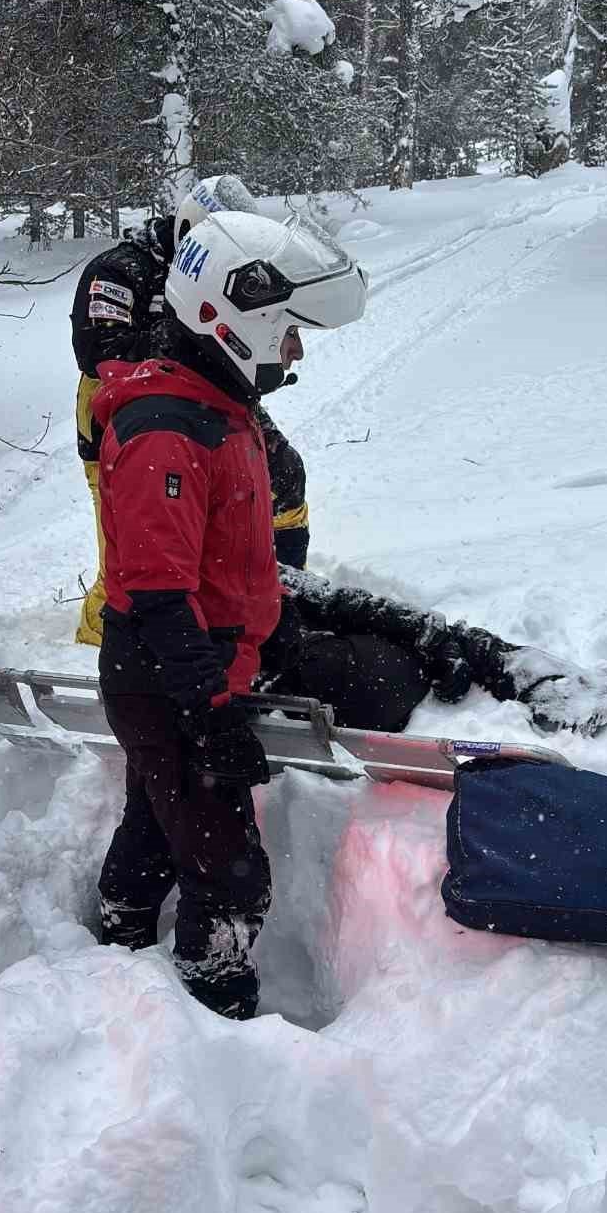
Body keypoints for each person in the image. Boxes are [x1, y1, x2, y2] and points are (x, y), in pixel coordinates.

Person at [94, 210, 368, 1019]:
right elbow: (154, 593)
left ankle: (115, 949)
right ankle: (218, 1014)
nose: (296, 350)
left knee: (155, 817)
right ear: (235, 318)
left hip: (191, 667)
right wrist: (210, 712)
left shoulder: (213, 407)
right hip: (169, 672)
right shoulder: (166, 431)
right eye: (289, 331)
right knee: (229, 872)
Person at [70, 176, 310, 646]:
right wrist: (196, 339)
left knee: (284, 477)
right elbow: (101, 350)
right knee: (132, 553)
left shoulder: (232, 268)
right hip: (124, 420)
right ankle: (103, 642)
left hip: (211, 403)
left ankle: (280, 593)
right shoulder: (120, 272)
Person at [259, 567, 607, 735]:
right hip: (336, 682)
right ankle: (554, 686)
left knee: (432, 637)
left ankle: (554, 685)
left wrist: (428, 631)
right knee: (425, 643)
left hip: (324, 673)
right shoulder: (216, 576)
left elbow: (323, 596)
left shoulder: (233, 566)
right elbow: (328, 600)